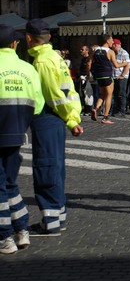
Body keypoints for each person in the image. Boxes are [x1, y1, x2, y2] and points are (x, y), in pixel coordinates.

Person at [25, 18, 84, 236]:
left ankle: (50, 220)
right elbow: (70, 90)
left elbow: (53, 95)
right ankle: (58, 215)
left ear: (29, 38)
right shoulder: (55, 57)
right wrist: (73, 117)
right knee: (56, 167)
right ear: (48, 37)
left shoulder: (41, 61)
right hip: (59, 118)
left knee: (46, 166)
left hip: (48, 117)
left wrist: (71, 120)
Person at [0, 24, 44, 253]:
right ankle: (22, 230)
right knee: (9, 183)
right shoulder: (27, 68)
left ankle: (5, 236)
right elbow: (38, 105)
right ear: (14, 44)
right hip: (17, 133)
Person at [91, 34, 127, 125]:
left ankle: (96, 108)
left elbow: (90, 62)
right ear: (107, 41)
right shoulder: (110, 52)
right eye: (111, 40)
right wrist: (124, 64)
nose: (112, 42)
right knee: (109, 96)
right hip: (107, 75)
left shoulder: (95, 50)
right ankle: (105, 117)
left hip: (99, 75)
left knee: (102, 94)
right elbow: (116, 65)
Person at [111, 39, 130, 117]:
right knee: (116, 94)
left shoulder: (124, 53)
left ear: (115, 45)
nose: (111, 46)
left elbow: (128, 65)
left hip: (121, 76)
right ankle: (116, 110)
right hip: (114, 76)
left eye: (112, 45)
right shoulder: (113, 53)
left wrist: (122, 75)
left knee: (121, 94)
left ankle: (122, 111)